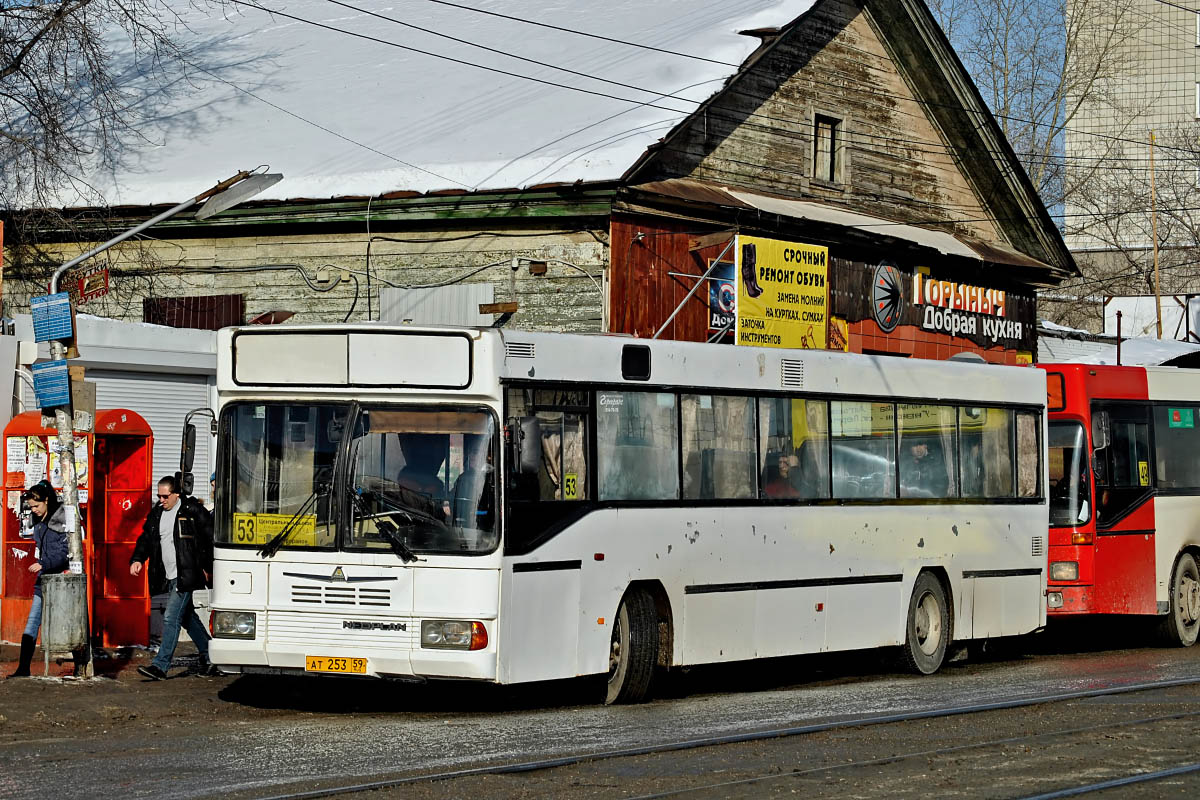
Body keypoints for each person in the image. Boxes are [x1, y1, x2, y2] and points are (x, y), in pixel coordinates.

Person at [129, 476, 214, 680]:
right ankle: (211, 656)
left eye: (165, 496)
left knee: (171, 617)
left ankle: (160, 665)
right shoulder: (157, 513)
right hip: (170, 574)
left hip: (186, 574)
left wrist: (208, 567)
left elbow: (210, 537)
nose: (161, 500)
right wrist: (138, 558)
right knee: (186, 617)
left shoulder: (192, 511)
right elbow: (146, 538)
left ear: (177, 494)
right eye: (159, 496)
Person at [7, 481, 69, 678]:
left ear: (47, 500)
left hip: (61, 581)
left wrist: (45, 563)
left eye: (36, 505)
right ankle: (23, 668)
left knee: (67, 622)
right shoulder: (39, 524)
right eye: (31, 506)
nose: (33, 510)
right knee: (32, 622)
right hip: (44, 581)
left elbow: (65, 552)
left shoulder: (60, 521)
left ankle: (81, 663)